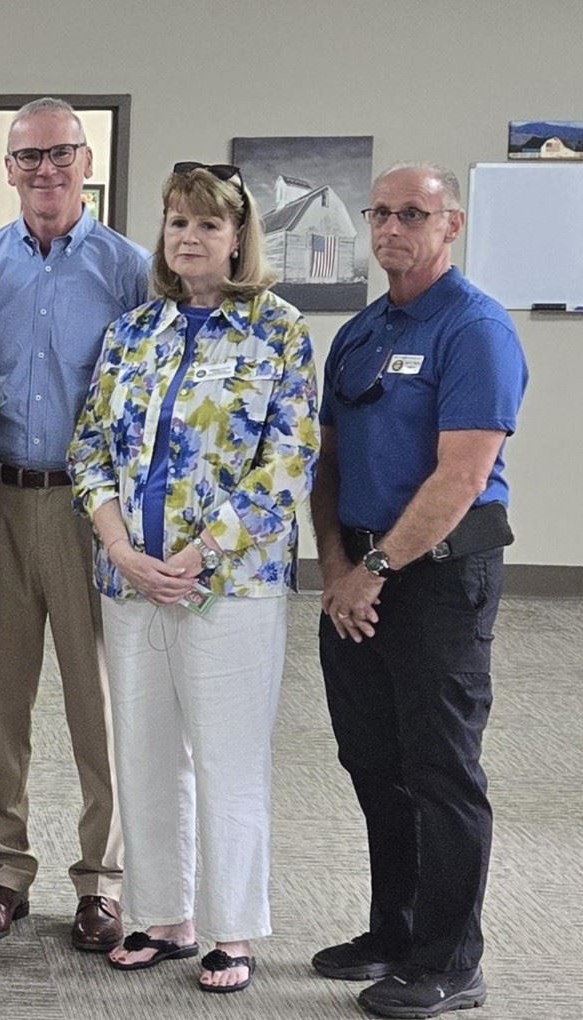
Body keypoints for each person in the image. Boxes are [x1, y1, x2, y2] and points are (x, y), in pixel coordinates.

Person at [69, 162, 317, 993]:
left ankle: (231, 929)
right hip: (130, 580)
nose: (190, 238)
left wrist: (201, 553)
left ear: (239, 236)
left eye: (208, 225)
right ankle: (160, 914)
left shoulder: (277, 330)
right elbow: (91, 447)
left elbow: (288, 460)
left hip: (229, 585)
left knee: (225, 756)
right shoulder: (134, 331)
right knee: (141, 752)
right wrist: (120, 547)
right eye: (177, 223)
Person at [310, 163, 526, 1019]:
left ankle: (450, 960)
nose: (393, 227)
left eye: (414, 213)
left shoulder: (475, 330)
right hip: (356, 577)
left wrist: (375, 570)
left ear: (452, 224)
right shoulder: (360, 334)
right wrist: (334, 568)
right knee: (374, 765)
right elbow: (326, 465)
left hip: (437, 581)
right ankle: (393, 933)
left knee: (442, 770)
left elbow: (461, 476)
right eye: (382, 213)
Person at [0, 96, 149, 948]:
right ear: (8, 169)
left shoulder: (130, 268)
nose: (45, 171)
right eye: (28, 157)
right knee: (1, 699)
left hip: (88, 509)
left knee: (95, 701)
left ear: (86, 163)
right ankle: (4, 872)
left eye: (60, 154)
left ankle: (101, 882)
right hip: (1, 500)